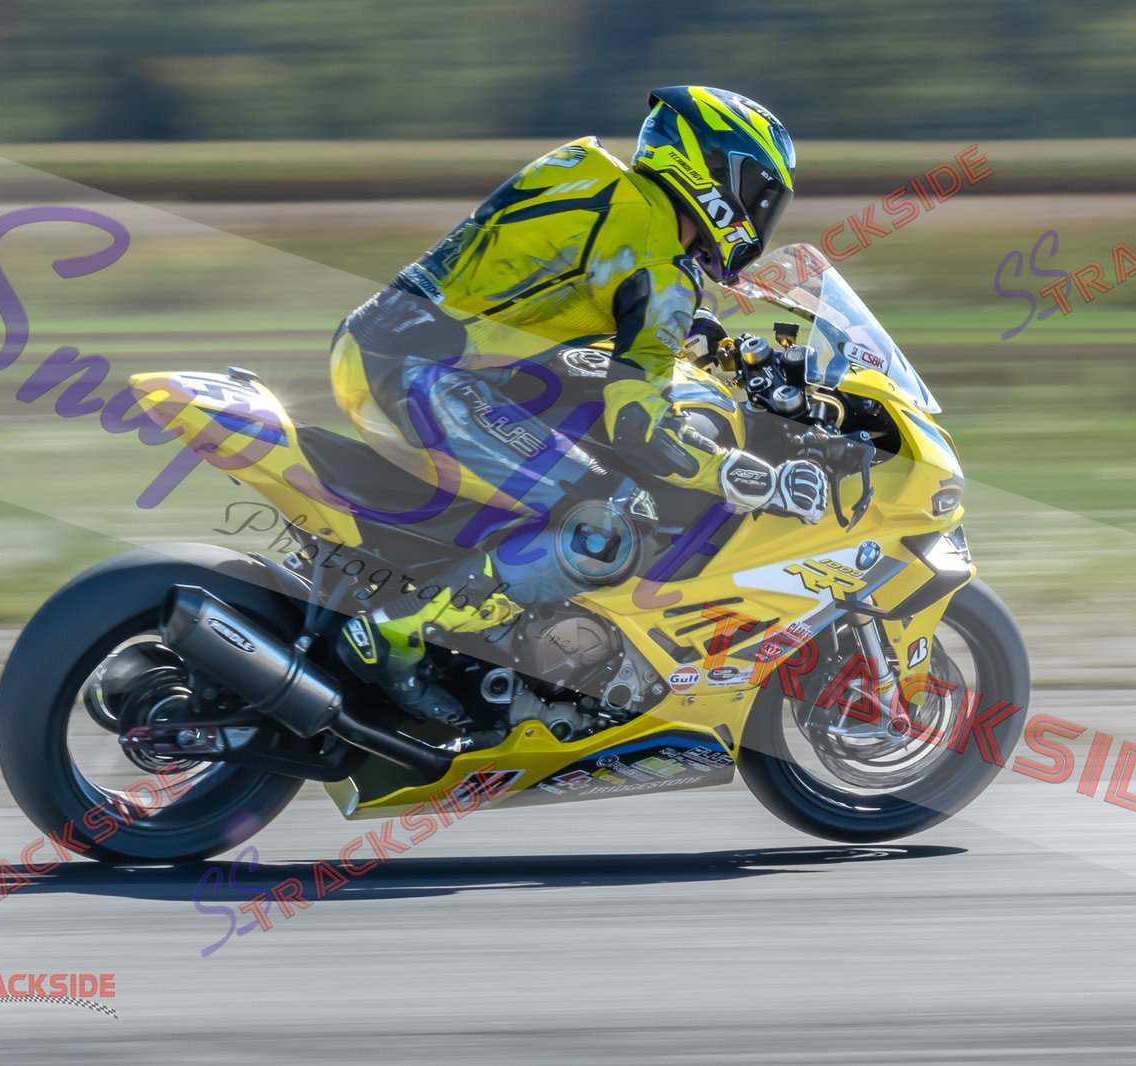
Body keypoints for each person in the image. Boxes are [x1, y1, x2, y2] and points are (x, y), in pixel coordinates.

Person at [328, 85, 827, 721]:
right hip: (420, 378)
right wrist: (741, 473)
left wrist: (700, 333)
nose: (760, 214)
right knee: (614, 522)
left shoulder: (591, 174)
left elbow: (554, 285)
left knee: (570, 445)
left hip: (383, 348)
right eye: (760, 193)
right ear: (715, 172)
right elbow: (641, 429)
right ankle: (401, 629)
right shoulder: (659, 264)